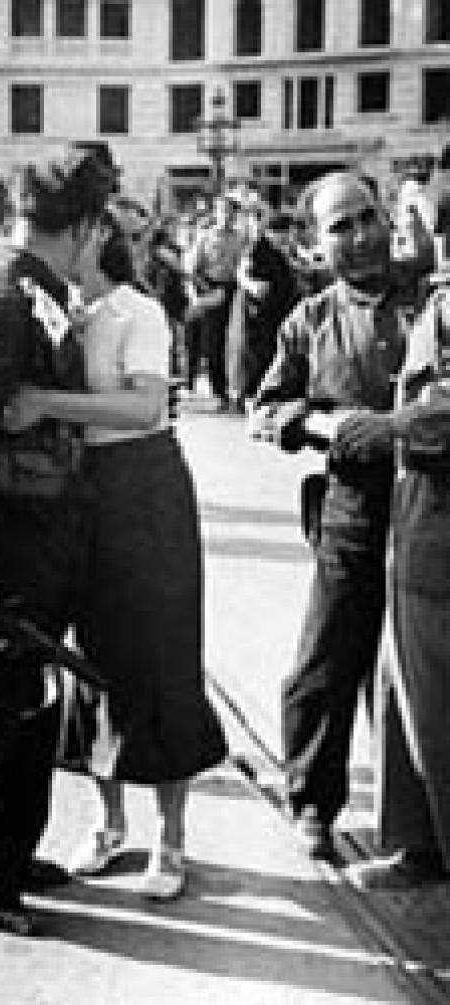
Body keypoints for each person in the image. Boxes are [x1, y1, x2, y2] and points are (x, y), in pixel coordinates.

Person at [3, 210, 227, 899]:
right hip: (83, 489)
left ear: (95, 239)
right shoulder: (64, 313)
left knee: (159, 658)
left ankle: (171, 837)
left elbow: (142, 409)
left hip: (145, 490)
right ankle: (108, 822)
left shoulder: (140, 312)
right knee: (90, 659)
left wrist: (45, 402)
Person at [0, 145, 115, 935]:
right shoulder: (1, 299)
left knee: (30, 703)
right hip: (3, 538)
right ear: (84, 226)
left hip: (41, 534)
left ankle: (10, 849)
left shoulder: (39, 291)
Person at [248, 171, 426, 861]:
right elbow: (266, 408)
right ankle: (314, 804)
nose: (359, 236)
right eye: (339, 227)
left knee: (422, 666)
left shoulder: (430, 302)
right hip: (352, 505)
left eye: (367, 217)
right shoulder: (311, 319)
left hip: (432, 505)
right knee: (327, 660)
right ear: (315, 245)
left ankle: (423, 821)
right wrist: (327, 426)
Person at [341, 283, 450, 887]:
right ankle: (419, 845)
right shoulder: (438, 298)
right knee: (405, 687)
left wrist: (394, 424)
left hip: (438, 511)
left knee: (432, 691)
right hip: (419, 512)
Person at [227, 197, 298, 411]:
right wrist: (253, 286)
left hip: (276, 314)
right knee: (256, 358)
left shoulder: (280, 251)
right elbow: (244, 274)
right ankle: (250, 398)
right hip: (258, 317)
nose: (288, 237)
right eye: (284, 233)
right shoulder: (257, 248)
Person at [190, 193, 244, 407]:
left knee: (235, 343)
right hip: (212, 288)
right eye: (224, 211)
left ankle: (236, 389)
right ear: (216, 212)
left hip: (235, 290)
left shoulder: (241, 239)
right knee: (214, 343)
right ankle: (219, 391)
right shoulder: (205, 237)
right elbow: (193, 270)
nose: (228, 216)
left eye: (232, 212)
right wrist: (204, 292)